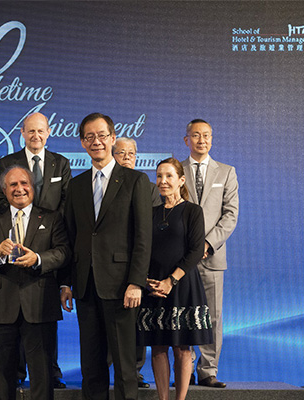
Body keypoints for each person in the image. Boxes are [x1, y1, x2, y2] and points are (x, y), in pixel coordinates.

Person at [61, 113, 152, 400]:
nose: (96, 141)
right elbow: (70, 237)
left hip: (122, 287)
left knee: (125, 367)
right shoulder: (75, 186)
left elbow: (143, 236)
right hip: (86, 287)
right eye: (89, 137)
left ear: (112, 138)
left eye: (102, 135)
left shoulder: (135, 180)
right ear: (82, 143)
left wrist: (136, 282)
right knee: (92, 366)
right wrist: (66, 283)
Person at [0, 166, 70, 400]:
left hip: (40, 307)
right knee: (1, 377)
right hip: (1, 307)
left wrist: (38, 258)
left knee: (42, 377)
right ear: (4, 191)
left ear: (33, 187)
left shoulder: (51, 218)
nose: (19, 189)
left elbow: (63, 252)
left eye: (24, 183)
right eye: (13, 185)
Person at [0, 112, 71, 388]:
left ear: (48, 133)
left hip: (47, 250)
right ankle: (17, 375)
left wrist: (42, 248)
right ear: (22, 133)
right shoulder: (6, 162)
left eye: (40, 131)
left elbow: (65, 210)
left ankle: (52, 371)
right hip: (14, 254)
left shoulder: (60, 163)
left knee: (44, 325)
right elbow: (1, 209)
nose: (35, 136)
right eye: (30, 131)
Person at [137, 157, 212, 400]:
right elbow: (141, 249)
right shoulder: (151, 213)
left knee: (182, 348)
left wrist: (171, 280)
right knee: (158, 347)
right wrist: (147, 280)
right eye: (159, 176)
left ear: (181, 180)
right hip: (154, 287)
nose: (163, 181)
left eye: (169, 176)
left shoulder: (192, 211)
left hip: (182, 286)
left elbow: (195, 251)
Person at [181, 119, 239, 388]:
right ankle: (184, 370)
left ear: (212, 139)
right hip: (180, 258)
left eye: (206, 135)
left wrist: (206, 245)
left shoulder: (226, 172)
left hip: (212, 256)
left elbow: (230, 215)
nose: (201, 140)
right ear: (187, 140)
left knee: (212, 316)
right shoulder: (175, 169)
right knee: (181, 314)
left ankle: (208, 371)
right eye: (195, 135)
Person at [111, 137, 162, 388]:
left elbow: (150, 228)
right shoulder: (101, 184)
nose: (128, 156)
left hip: (139, 263)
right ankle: (106, 367)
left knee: (137, 319)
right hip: (108, 263)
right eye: (122, 152)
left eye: (132, 152)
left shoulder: (148, 186)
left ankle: (135, 371)